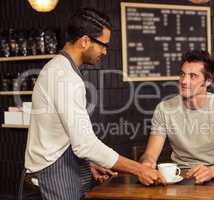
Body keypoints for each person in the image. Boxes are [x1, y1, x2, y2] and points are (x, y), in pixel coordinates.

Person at [24, 8, 165, 200]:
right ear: (84, 41)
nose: (105, 51)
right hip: (52, 176)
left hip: (59, 169)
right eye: (103, 45)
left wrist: (89, 163)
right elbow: (85, 145)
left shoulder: (60, 69)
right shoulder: (65, 77)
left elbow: (61, 134)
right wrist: (138, 169)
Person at [140, 50, 214, 184]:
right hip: (181, 176)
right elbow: (150, 154)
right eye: (182, 74)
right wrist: (146, 165)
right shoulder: (164, 109)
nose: (184, 81)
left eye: (193, 76)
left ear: (208, 81)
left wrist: (211, 171)